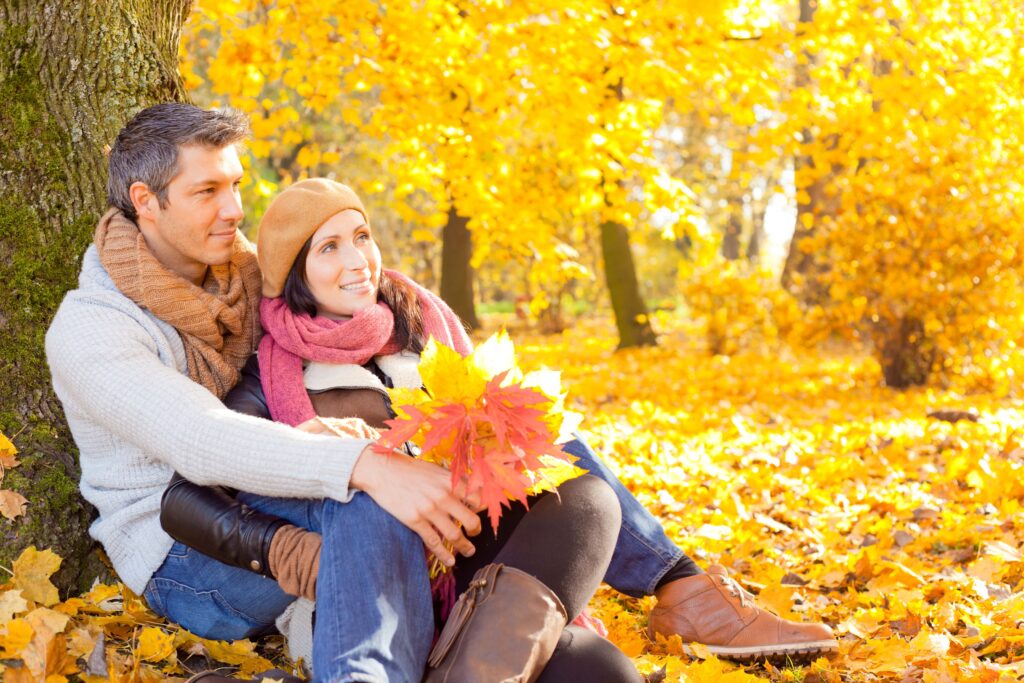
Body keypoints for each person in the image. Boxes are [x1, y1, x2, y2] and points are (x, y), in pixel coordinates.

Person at [44, 103, 834, 680]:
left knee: (531, 449)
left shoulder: (244, 271)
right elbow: (198, 441)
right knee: (373, 484)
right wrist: (370, 466)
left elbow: (324, 292)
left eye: (237, 186)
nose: (235, 209)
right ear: (145, 203)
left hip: (291, 476)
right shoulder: (92, 329)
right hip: (195, 548)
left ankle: (678, 586)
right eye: (208, 192)